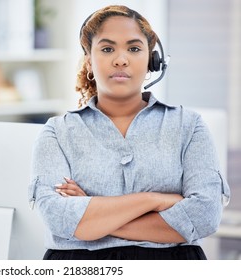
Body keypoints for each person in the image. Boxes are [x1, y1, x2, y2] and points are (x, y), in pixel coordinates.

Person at [29, 5, 231, 260]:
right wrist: (155, 200)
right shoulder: (57, 132)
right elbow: (59, 218)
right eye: (107, 48)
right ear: (89, 61)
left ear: (151, 61)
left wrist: (93, 219)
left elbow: (205, 215)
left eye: (134, 48)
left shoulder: (189, 126)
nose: (121, 59)